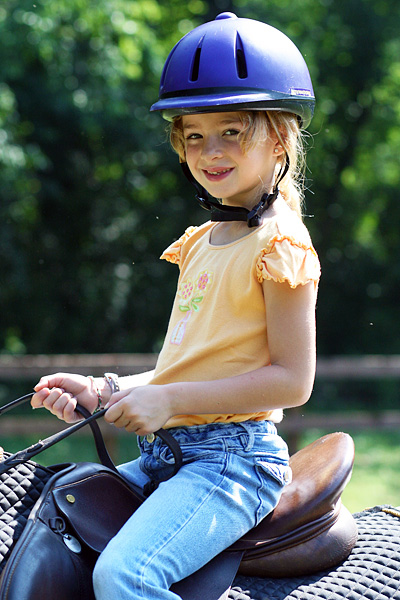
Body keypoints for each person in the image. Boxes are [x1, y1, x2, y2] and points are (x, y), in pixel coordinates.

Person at [31, 12, 320, 600]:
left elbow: (293, 382)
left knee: (125, 577)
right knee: (48, 517)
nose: (210, 151)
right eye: (194, 135)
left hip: (232, 464)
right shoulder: (202, 242)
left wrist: (166, 400)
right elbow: (189, 370)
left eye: (232, 132)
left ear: (280, 136)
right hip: (169, 454)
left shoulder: (280, 245)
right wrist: (106, 391)